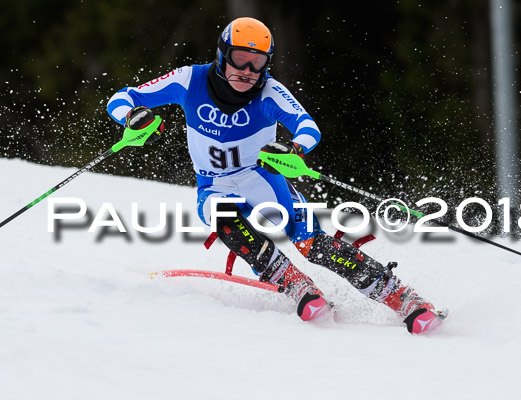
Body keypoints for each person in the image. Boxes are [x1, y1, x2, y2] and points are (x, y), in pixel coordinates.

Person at [107, 17, 443, 333]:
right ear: (222, 55)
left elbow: (308, 127)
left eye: (258, 62)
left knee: (312, 244)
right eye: (240, 59)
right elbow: (122, 97)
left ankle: (402, 298)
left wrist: (293, 149)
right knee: (226, 219)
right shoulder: (190, 80)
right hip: (214, 183)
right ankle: (297, 284)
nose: (247, 71)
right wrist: (133, 116)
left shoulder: (269, 91)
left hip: (261, 179)